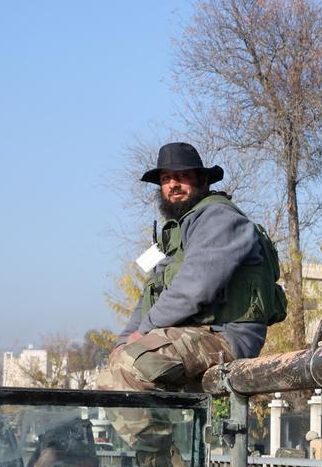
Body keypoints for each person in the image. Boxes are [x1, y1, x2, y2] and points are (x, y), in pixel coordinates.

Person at [100, 142, 288, 392]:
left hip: (225, 336)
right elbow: (149, 297)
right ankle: (165, 430)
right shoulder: (174, 234)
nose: (173, 184)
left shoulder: (218, 218)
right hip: (187, 333)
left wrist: (143, 333)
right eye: (166, 178)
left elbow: (193, 288)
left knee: (130, 365)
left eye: (182, 176)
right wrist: (123, 341)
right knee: (112, 367)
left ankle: (160, 433)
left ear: (201, 180)